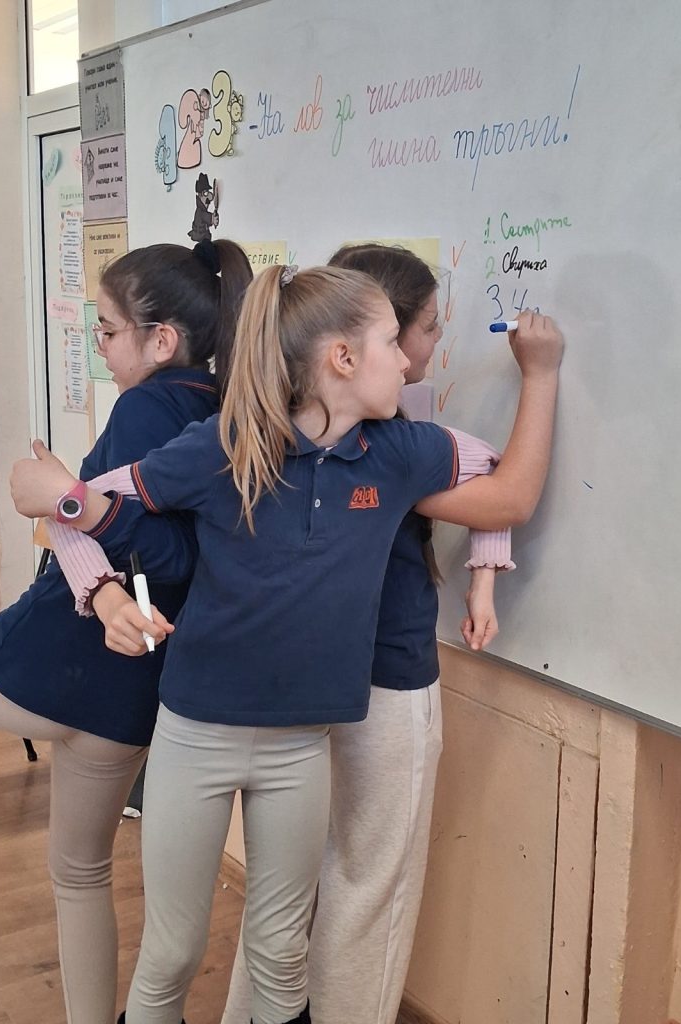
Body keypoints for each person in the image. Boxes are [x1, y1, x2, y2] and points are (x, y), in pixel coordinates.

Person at [10, 264, 563, 1024]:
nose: (408, 362)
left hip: (300, 747)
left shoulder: (400, 453)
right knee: (171, 954)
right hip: (196, 739)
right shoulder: (222, 448)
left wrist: (485, 575)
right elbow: (76, 504)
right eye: (390, 344)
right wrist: (100, 590)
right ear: (343, 358)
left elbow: (499, 477)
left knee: (281, 957)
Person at [221, 243, 516, 1024]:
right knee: (370, 888)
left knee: (286, 888)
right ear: (353, 351)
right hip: (388, 681)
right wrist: (544, 378)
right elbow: (503, 485)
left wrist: (484, 573)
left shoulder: (276, 434)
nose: (431, 346)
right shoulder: (397, 449)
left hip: (293, 686)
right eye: (422, 328)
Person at [0, 237, 252, 1024]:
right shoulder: (223, 410)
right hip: (131, 695)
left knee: (79, 874)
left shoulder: (148, 407)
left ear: (162, 340)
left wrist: (61, 498)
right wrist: (67, 503)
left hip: (55, 665)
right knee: (80, 873)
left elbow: (150, 545)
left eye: (107, 330)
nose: (98, 344)